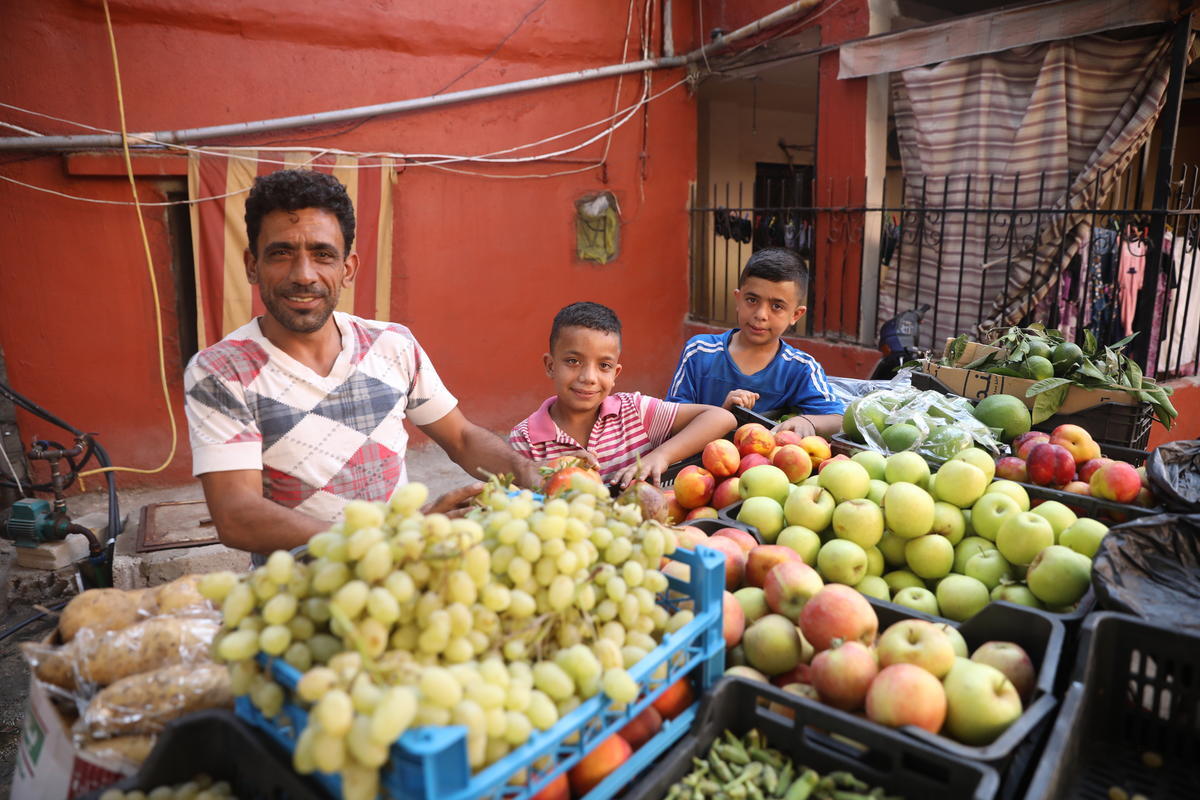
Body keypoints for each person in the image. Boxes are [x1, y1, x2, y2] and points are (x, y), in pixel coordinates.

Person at [183, 169, 539, 555]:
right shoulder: (219, 372)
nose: (304, 275)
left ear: (347, 269)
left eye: (322, 255)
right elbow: (238, 515)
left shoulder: (393, 345)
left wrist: (525, 472)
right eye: (281, 253)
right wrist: (382, 537)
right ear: (252, 265)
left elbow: (461, 437)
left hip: (402, 573)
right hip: (300, 597)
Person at [510, 302, 735, 486]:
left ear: (616, 373)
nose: (589, 377)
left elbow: (720, 417)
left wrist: (660, 456)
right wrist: (555, 471)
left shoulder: (634, 411)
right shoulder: (525, 441)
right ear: (550, 366)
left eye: (604, 366)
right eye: (573, 361)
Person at [665, 247, 844, 436]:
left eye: (777, 306)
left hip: (768, 463)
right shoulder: (700, 351)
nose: (760, 315)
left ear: (796, 315)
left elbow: (837, 419)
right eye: (751, 300)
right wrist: (721, 414)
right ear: (738, 298)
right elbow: (669, 419)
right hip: (694, 461)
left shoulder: (801, 368)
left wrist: (806, 420)